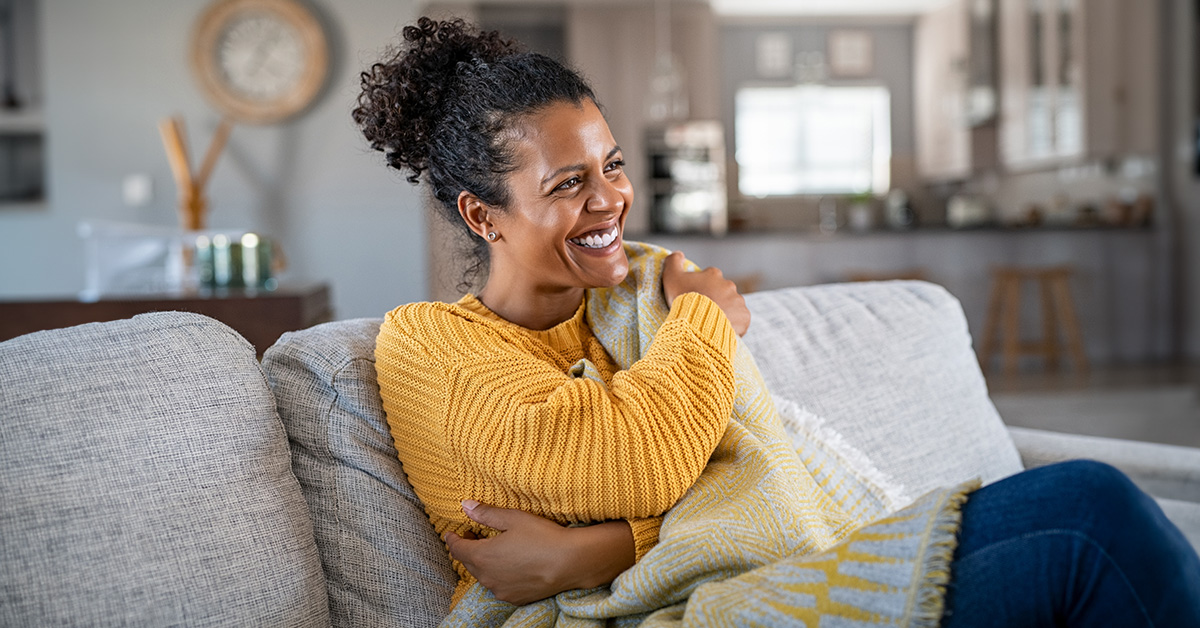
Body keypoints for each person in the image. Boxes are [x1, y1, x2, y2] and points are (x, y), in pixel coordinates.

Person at [355, 17, 1200, 626]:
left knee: (1093, 511)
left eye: (610, 166)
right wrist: (703, 325)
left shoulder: (638, 294)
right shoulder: (429, 341)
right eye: (567, 183)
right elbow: (625, 460)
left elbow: (744, 465)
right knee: (1089, 517)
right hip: (658, 611)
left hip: (754, 567)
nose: (610, 198)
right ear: (483, 215)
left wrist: (600, 547)